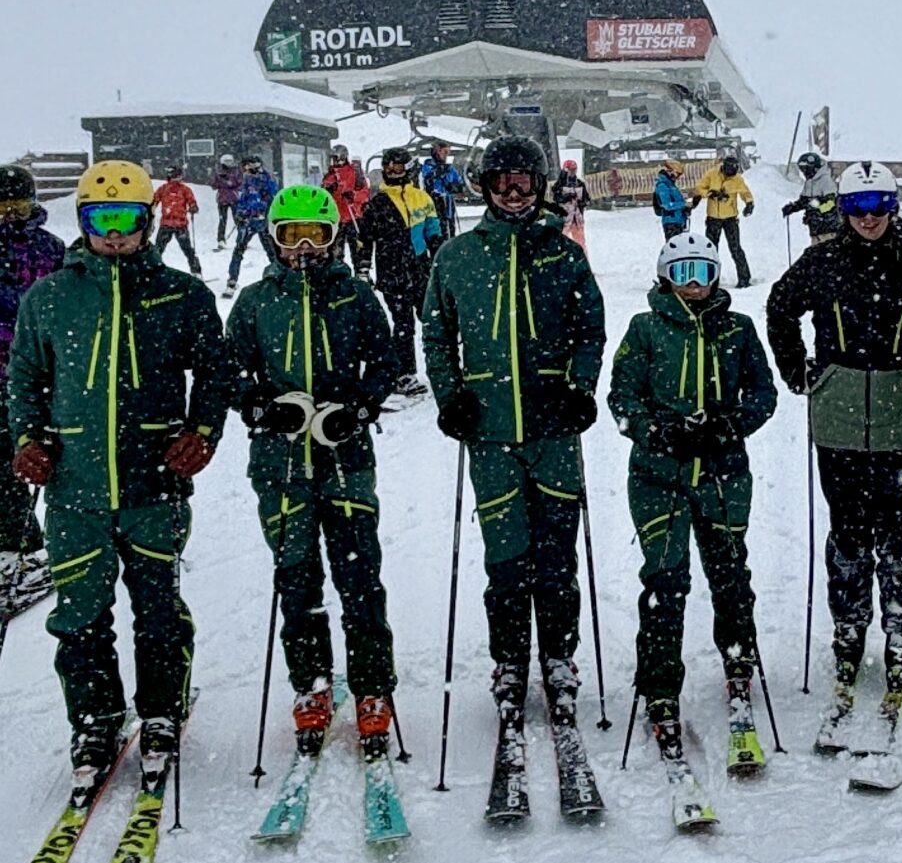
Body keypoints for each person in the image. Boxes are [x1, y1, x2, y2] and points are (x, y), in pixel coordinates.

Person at [7, 160, 226, 796]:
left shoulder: (180, 295)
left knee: (157, 611)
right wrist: (29, 439)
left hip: (152, 487)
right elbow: (24, 380)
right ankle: (96, 720)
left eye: (127, 219)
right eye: (101, 219)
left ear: (148, 220)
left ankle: (161, 710)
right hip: (75, 490)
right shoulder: (50, 297)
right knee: (79, 617)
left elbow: (214, 373)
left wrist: (201, 433)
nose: (115, 233)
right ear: (82, 222)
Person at [422, 133, 605, 749]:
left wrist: (581, 387)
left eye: (525, 182)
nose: (513, 193)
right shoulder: (457, 256)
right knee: (505, 558)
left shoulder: (563, 254)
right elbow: (437, 335)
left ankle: (558, 655)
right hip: (492, 432)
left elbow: (590, 328)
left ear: (543, 186)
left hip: (553, 429)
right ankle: (509, 659)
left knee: (556, 555)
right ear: (483, 186)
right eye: (501, 182)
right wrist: (452, 396)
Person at [226, 185, 401, 762]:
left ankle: (373, 685)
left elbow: (386, 359)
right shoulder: (255, 302)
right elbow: (232, 370)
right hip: (279, 465)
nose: (304, 247)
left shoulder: (354, 296)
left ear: (333, 238)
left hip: (343, 456)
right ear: (274, 240)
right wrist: (259, 406)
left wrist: (359, 407)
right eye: (291, 235)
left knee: (358, 576)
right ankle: (312, 682)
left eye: (317, 235)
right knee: (296, 578)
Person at [609, 228, 777, 817]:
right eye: (682, 273)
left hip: (724, 473)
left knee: (730, 572)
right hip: (659, 476)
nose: (693, 284)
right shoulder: (646, 328)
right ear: (664, 276)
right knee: (666, 582)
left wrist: (731, 424)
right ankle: (660, 687)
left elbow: (763, 392)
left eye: (702, 273)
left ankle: (738, 666)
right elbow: (622, 395)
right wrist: (655, 428)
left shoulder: (736, 328)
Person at [767, 162, 902, 734]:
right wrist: (798, 371)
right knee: (848, 523)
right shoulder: (823, 260)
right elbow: (780, 308)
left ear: (893, 206)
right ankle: (850, 622)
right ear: (843, 208)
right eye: (858, 208)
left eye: (879, 206)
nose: (868, 219)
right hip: (837, 411)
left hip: (899, 410)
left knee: (897, 519)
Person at [0, 164, 65, 617]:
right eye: (2, 208)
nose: (10, 216)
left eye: (18, 207)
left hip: (34, 373)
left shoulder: (49, 249)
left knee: (27, 455)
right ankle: (18, 539)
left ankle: (27, 544)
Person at [358, 148, 440, 396]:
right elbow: (365, 239)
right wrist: (363, 268)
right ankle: (403, 373)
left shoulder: (422, 198)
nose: (392, 172)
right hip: (391, 272)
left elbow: (433, 232)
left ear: (409, 168)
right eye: (388, 167)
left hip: (419, 269)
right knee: (403, 323)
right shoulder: (377, 203)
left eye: (398, 167)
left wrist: (440, 260)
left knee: (433, 319)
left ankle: (445, 366)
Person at [693, 150, 755, 287]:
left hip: (730, 219)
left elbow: (745, 192)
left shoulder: (737, 179)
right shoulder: (712, 174)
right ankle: (709, 280)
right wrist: (710, 194)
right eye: (729, 172)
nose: (731, 175)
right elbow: (699, 188)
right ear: (724, 167)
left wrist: (749, 203)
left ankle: (744, 278)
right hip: (713, 218)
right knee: (710, 250)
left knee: (736, 249)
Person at [222, 155, 279, 296]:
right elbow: (243, 198)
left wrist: (266, 207)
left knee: (271, 251)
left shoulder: (267, 180)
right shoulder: (247, 180)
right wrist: (240, 213)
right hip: (248, 221)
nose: (244, 171)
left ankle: (278, 276)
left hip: (263, 221)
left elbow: (275, 198)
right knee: (239, 250)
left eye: (246, 168)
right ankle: (232, 280)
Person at [323, 145, 370, 270]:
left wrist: (353, 195)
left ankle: (361, 273)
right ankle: (337, 273)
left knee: (358, 249)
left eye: (337, 159)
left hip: (353, 217)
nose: (335, 162)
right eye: (333, 159)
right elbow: (323, 196)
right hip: (336, 219)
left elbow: (365, 193)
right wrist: (328, 191)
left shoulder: (355, 173)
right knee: (335, 251)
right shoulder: (330, 175)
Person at [781, 150, 839, 245]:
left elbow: (830, 203)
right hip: (815, 229)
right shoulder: (809, 182)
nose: (804, 172)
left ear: (814, 168)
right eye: (802, 169)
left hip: (828, 229)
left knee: (827, 256)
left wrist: (817, 212)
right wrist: (793, 207)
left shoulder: (826, 181)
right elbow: (805, 201)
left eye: (806, 169)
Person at [153, 173, 203, 274]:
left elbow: (154, 202)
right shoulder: (184, 189)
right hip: (179, 224)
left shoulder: (164, 188)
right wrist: (193, 207)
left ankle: (152, 269)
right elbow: (192, 201)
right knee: (188, 249)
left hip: (168, 223)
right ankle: (196, 271)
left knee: (158, 249)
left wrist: (149, 210)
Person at [419, 139, 465, 241]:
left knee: (450, 228)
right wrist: (439, 172)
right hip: (434, 203)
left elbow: (460, 184)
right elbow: (428, 178)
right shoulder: (428, 165)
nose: (446, 155)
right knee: (437, 229)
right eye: (444, 152)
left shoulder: (450, 169)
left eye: (448, 152)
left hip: (448, 204)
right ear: (436, 151)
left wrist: (454, 187)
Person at [554, 157, 589, 251]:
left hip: (577, 219)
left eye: (574, 170)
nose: (573, 172)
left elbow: (587, 199)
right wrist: (567, 197)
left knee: (580, 244)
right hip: (564, 219)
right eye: (571, 170)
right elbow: (556, 198)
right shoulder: (560, 184)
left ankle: (583, 261)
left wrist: (581, 202)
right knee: (560, 243)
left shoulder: (580, 184)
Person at [652, 161, 691, 240]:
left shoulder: (671, 185)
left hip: (679, 220)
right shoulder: (662, 186)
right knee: (674, 248)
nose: (678, 177)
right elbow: (667, 205)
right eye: (678, 174)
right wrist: (684, 204)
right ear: (670, 171)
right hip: (671, 223)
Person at [213, 154, 242, 250]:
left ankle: (242, 239)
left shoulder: (236, 171)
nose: (230, 163)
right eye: (227, 162)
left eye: (231, 161)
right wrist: (221, 180)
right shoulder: (219, 172)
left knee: (238, 220)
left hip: (234, 198)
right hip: (222, 199)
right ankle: (220, 239)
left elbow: (240, 183)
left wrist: (232, 184)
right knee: (222, 220)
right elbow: (214, 185)